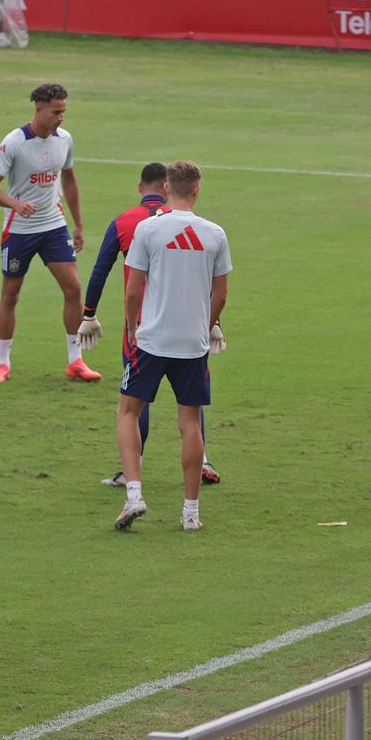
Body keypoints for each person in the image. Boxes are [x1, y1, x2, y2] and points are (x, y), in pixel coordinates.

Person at [85, 162, 219, 487]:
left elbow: (101, 270)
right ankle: (201, 462)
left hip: (143, 326)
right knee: (190, 403)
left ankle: (134, 471)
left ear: (140, 187)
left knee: (133, 401)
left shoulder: (126, 222)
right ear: (166, 188)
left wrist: (89, 313)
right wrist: (214, 323)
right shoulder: (198, 228)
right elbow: (205, 281)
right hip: (189, 325)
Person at [115, 160, 231, 533]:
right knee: (190, 423)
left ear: (166, 188)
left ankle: (134, 494)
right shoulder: (214, 233)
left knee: (129, 412)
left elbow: (134, 289)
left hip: (152, 338)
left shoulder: (148, 230)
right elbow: (221, 294)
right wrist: (208, 325)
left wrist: (133, 327)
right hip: (192, 343)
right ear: (196, 189)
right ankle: (191, 512)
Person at [0, 83, 100, 384]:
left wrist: (79, 224)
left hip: (53, 225)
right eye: (56, 112)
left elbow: (69, 180)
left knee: (73, 288)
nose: (61, 118)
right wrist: (15, 204)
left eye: (64, 112)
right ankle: (2, 363)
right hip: (19, 230)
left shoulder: (65, 140)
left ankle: (75, 360)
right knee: (11, 294)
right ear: (39, 109)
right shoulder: (15, 142)